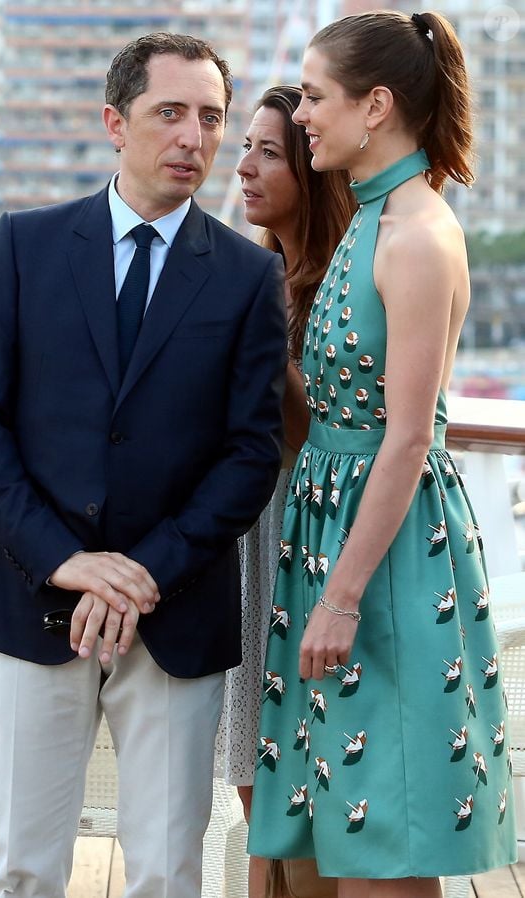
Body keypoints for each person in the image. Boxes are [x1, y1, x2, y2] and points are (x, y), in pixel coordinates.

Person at [0, 32, 288, 898]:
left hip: (175, 616)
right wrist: (66, 562)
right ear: (114, 121)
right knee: (23, 868)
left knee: (171, 872)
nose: (195, 138)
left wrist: (139, 574)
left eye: (211, 118)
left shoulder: (249, 278)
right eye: (170, 113)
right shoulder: (22, 246)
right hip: (31, 599)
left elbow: (249, 454)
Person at [248, 12, 517, 898]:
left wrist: (341, 597)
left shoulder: (415, 234)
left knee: (382, 838)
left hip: (385, 567)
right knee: (322, 841)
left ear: (377, 105)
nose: (306, 116)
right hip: (329, 540)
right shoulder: (368, 221)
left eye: (317, 97)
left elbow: (407, 439)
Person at [214, 85, 354, 897]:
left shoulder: (332, 284)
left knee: (308, 781)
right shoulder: (252, 269)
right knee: (255, 781)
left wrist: (266, 333)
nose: (246, 167)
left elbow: (320, 433)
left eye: (270, 151)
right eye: (247, 148)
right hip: (247, 537)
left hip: (309, 533)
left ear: (310, 168)